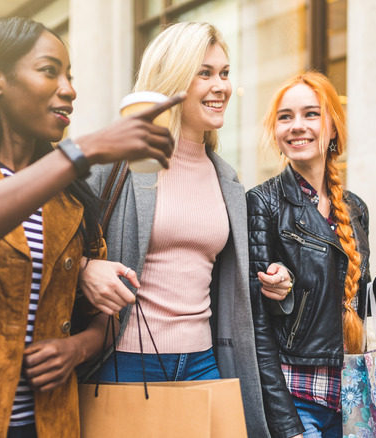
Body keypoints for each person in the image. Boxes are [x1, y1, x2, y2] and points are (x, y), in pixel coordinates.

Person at [0, 17, 183, 438]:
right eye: (50, 71)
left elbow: (107, 318)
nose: (69, 89)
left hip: (50, 422)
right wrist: (81, 151)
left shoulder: (69, 193)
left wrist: (76, 348)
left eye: (70, 76)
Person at [84, 22, 270, 437]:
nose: (221, 85)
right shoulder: (117, 165)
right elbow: (50, 242)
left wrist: (278, 283)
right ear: (170, 81)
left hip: (204, 360)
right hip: (126, 361)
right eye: (204, 73)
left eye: (224, 72)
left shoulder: (228, 179)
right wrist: (83, 268)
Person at [246, 71, 376, 438]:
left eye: (311, 113)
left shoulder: (355, 208)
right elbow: (257, 325)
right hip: (296, 396)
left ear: (333, 128)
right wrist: (286, 424)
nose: (297, 126)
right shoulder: (263, 203)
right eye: (285, 116)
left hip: (353, 393)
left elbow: (351, 304)